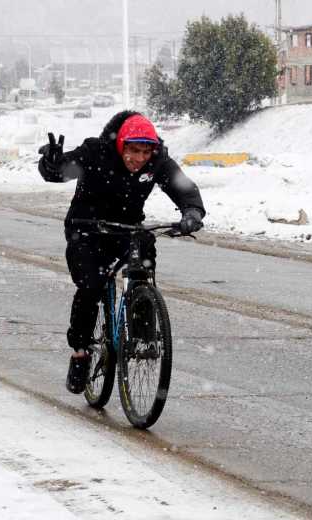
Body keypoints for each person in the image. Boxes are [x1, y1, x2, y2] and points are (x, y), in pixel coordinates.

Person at [38, 110, 206, 394]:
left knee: (144, 254)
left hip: (126, 230)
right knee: (91, 286)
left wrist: (192, 211)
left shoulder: (157, 162)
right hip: (86, 229)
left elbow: (183, 187)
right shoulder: (95, 152)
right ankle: (80, 352)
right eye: (133, 150)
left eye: (145, 152)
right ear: (121, 145)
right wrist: (51, 163)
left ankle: (142, 335)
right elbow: (61, 172)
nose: (139, 158)